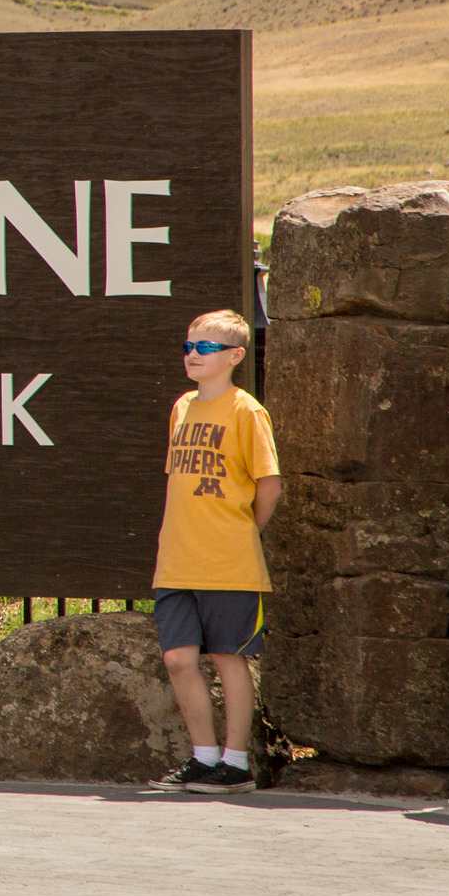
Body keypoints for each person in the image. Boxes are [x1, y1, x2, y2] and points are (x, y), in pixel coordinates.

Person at [154, 308, 282, 794]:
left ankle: (236, 763)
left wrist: (243, 531)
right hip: (178, 558)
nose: (193, 355)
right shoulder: (182, 408)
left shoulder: (246, 410)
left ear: (234, 356)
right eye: (188, 345)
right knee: (178, 660)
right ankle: (203, 758)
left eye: (205, 348)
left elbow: (269, 485)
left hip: (229, 559)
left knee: (230, 657)